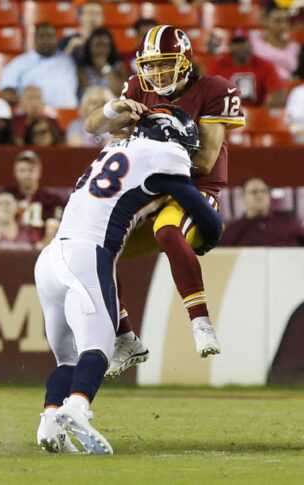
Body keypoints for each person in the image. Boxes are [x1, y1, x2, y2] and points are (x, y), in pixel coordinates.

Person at [35, 105, 221, 455]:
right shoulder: (165, 154)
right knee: (98, 349)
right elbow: (201, 211)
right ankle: (76, 408)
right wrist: (210, 236)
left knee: (68, 360)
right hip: (88, 254)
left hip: (50, 257)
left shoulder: (112, 148)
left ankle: (48, 421)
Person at [85, 25, 245, 377]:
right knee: (98, 252)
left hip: (194, 190)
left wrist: (155, 142)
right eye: (151, 65)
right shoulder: (138, 88)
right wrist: (115, 108)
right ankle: (126, 338)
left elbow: (204, 161)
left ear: (184, 61)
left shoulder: (215, 89)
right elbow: (92, 125)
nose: (156, 73)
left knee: (168, 231)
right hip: (150, 189)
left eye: (165, 64)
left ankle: (200, 322)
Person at [0, 23, 78, 108]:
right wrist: (29, 103)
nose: (46, 40)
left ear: (56, 39)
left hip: (70, 114)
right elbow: (6, 93)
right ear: (34, 40)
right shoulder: (19, 63)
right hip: (36, 116)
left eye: (50, 36)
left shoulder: (68, 61)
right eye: (42, 37)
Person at [206, 29, 286, 108]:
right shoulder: (218, 66)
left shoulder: (264, 65)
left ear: (250, 44)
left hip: (256, 114)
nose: (241, 47)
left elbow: (278, 95)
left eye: (243, 42)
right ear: (230, 46)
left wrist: (260, 114)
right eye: (236, 43)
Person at [220, 177, 304, 247]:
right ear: (243, 197)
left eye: (263, 191)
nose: (259, 196)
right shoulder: (233, 230)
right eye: (254, 192)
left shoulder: (289, 222)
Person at [6, 150, 63, 250]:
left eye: (31, 170)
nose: (26, 175)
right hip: (10, 249)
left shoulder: (51, 200)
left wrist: (42, 248)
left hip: (40, 251)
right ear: (15, 172)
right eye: (22, 170)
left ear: (39, 171)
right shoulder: (7, 196)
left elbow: (53, 230)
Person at [250, 2, 300, 82]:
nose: (283, 25)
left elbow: (298, 74)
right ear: (265, 21)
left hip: (287, 87)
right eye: (278, 21)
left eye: (286, 21)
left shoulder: (295, 46)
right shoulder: (254, 43)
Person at [76, 27, 128, 98]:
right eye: (97, 45)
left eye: (105, 45)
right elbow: (86, 94)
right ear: (89, 48)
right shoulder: (81, 70)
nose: (101, 49)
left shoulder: (119, 66)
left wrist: (106, 68)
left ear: (110, 48)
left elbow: (121, 91)